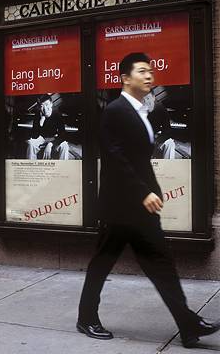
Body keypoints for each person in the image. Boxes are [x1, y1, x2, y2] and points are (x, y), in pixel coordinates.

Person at [77, 52, 220, 348]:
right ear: (125, 79)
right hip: (119, 209)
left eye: (150, 70)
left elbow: (140, 160)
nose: (149, 75)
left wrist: (150, 191)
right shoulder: (115, 110)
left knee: (162, 264)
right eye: (141, 71)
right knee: (102, 263)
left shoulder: (143, 112)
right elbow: (116, 159)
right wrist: (144, 191)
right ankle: (86, 318)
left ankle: (188, 326)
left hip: (140, 209)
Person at [26, 94, 69, 160]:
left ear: (51, 104)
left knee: (65, 145)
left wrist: (50, 144)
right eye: (42, 106)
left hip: (53, 138)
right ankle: (32, 166)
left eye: (46, 104)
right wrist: (41, 121)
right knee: (31, 143)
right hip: (42, 138)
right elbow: (34, 136)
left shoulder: (57, 114)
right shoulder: (38, 114)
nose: (45, 109)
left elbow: (63, 135)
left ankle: (62, 168)